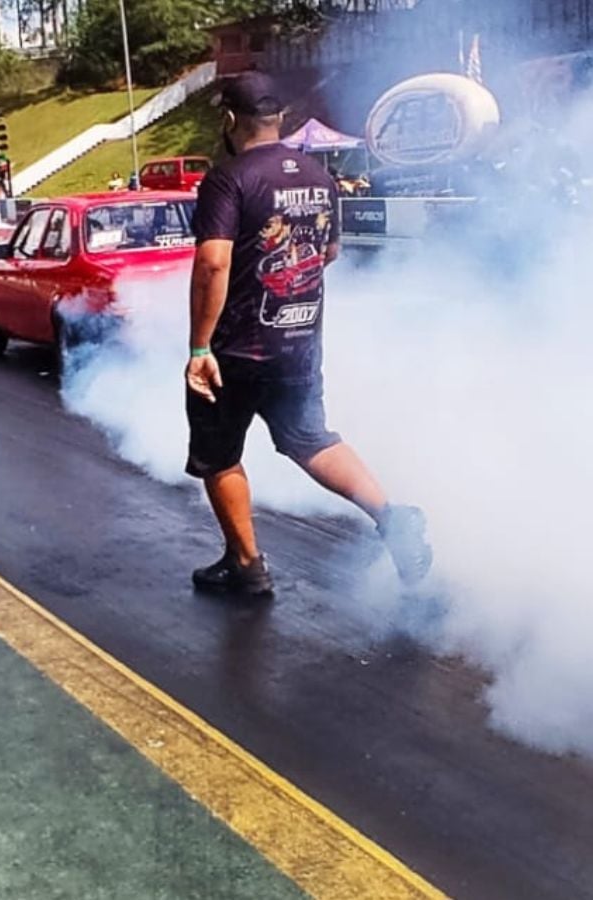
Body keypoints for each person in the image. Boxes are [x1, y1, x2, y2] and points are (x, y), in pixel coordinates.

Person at [185, 71, 432, 597]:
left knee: (220, 453)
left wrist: (200, 346)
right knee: (308, 438)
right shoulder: (320, 177)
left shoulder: (228, 179)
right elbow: (331, 253)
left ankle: (247, 566)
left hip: (237, 349)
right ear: (280, 120)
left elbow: (212, 262)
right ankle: (391, 517)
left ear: (230, 120)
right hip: (299, 343)